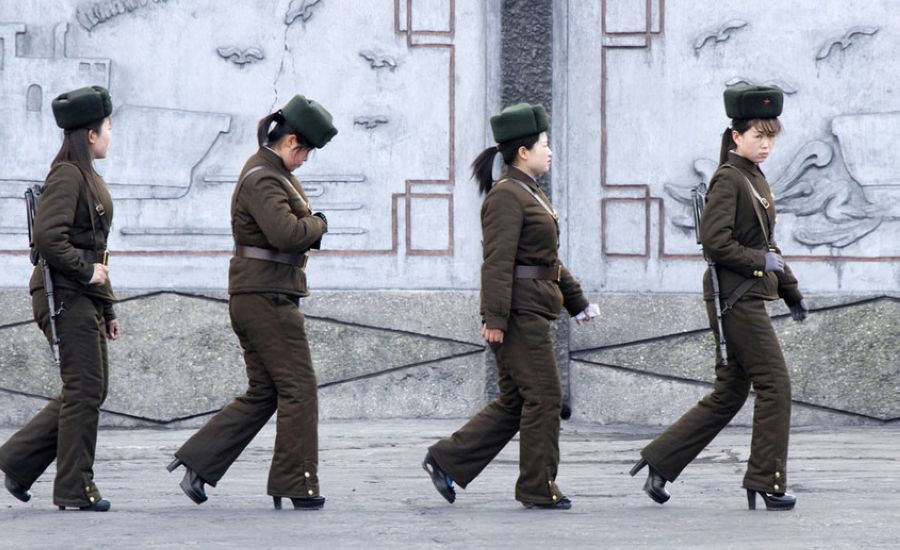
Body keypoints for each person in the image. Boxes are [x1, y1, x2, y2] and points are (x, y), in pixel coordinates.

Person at [630, 85, 808, 511]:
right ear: (736, 136)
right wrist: (761, 264)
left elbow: (769, 246)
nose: (766, 144)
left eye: (771, 136)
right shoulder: (730, 178)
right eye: (757, 136)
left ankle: (660, 462)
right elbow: (715, 242)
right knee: (776, 384)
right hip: (735, 300)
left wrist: (791, 291)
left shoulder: (754, 177)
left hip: (744, 295)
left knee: (729, 394)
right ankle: (768, 480)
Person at [423, 103, 597, 510]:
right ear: (523, 151)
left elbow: (545, 259)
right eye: (544, 143)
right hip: (518, 313)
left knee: (518, 399)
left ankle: (446, 458)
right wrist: (495, 318)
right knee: (545, 397)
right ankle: (538, 486)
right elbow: (497, 261)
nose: (549, 150)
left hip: (532, 308)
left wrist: (577, 301)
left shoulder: (528, 191)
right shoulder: (506, 196)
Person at [166, 95, 336, 511]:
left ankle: (199, 462)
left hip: (261, 293)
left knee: (265, 391)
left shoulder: (271, 173)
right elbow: (287, 234)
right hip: (266, 297)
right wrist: (320, 223)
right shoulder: (264, 177)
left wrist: (308, 225)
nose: (305, 160)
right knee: (299, 389)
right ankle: (297, 483)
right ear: (291, 140)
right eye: (305, 151)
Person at [0, 86, 119, 512]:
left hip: (83, 294)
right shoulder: (68, 174)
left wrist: (106, 306)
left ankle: (17, 459)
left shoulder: (86, 174)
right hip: (64, 294)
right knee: (85, 388)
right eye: (107, 127)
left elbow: (94, 246)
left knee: (90, 388)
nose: (110, 134)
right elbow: (50, 240)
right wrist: (88, 273)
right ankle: (74, 486)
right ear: (90, 133)